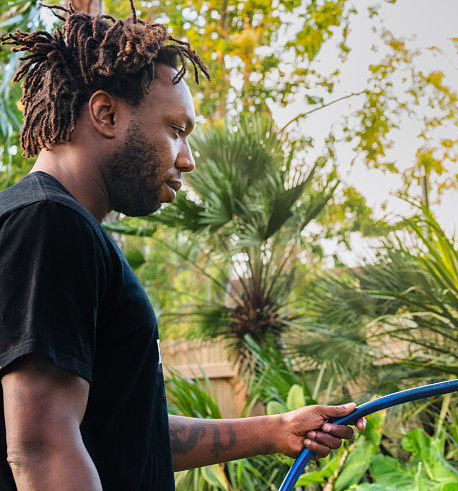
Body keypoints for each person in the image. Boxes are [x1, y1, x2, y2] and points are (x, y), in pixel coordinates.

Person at [0, 3, 364, 489]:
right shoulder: (49, 224)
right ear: (106, 114)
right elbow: (42, 449)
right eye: (176, 130)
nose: (187, 160)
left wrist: (276, 429)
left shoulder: (64, 230)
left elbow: (128, 433)